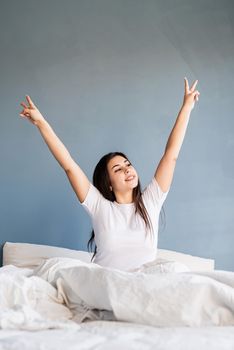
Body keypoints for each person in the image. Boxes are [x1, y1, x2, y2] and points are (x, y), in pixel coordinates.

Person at [19, 78, 200, 271]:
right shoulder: (99, 206)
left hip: (142, 284)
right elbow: (69, 165)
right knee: (57, 267)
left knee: (175, 269)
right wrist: (41, 123)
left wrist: (186, 107)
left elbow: (170, 155)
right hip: (106, 283)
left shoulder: (151, 201)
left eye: (127, 164)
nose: (127, 169)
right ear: (109, 184)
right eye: (118, 169)